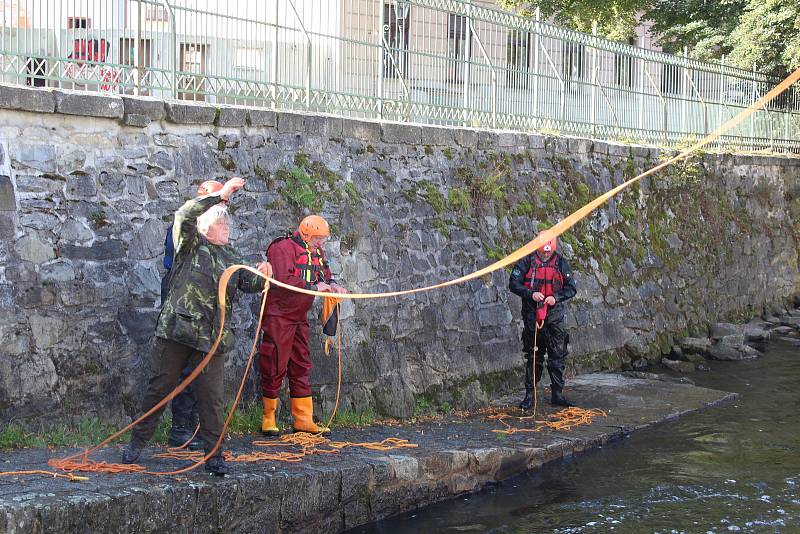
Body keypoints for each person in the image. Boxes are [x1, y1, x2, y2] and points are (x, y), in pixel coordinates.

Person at [122, 177, 272, 475]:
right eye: (221, 223)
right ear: (206, 227)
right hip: (176, 331)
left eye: (228, 223)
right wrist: (221, 196)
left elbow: (251, 283)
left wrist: (264, 272)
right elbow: (184, 215)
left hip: (211, 340)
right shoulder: (189, 244)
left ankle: (214, 455)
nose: (227, 227)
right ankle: (137, 442)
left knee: (212, 400)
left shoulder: (232, 258)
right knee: (159, 388)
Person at [258, 215, 347, 437]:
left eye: (323, 239)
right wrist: (315, 286)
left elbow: (324, 275)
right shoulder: (282, 248)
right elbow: (285, 281)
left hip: (299, 316)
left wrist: (333, 286)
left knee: (301, 363)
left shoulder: (316, 252)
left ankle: (303, 418)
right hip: (278, 314)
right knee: (275, 363)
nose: (321, 243)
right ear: (306, 234)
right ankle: (269, 416)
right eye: (318, 238)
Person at [160, 180, 224, 451]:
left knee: (202, 368)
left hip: (203, 309)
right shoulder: (185, 230)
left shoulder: (213, 235)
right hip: (185, 309)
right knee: (187, 367)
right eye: (219, 202)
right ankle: (181, 429)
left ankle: (196, 426)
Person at [509, 233, 577, 408]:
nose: (545, 255)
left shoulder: (561, 262)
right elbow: (514, 283)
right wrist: (531, 294)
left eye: (548, 253)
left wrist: (556, 297)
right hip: (533, 316)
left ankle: (557, 394)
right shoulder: (526, 261)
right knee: (534, 355)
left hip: (554, 316)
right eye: (543, 252)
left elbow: (572, 288)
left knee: (557, 355)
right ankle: (530, 395)